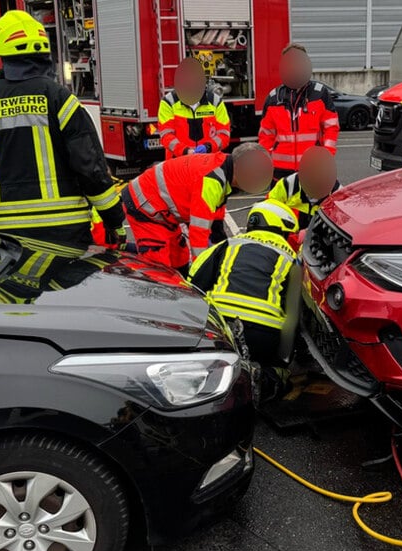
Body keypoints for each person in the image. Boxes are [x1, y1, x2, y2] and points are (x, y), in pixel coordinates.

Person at [0, 10, 125, 248]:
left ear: (0, 52)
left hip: (9, 234)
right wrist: (114, 220)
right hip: (66, 230)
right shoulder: (58, 97)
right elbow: (90, 166)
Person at [188, 200, 301, 400]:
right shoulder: (291, 259)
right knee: (277, 371)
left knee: (207, 364)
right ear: (283, 230)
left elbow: (193, 283)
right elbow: (296, 312)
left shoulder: (226, 246)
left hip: (221, 328)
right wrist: (284, 359)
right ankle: (268, 377)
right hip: (265, 335)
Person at [122, 142, 274, 274]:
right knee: (159, 267)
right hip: (144, 206)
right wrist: (202, 271)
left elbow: (216, 218)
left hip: (163, 210)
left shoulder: (225, 169)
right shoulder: (212, 181)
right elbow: (198, 232)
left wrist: (221, 248)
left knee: (179, 258)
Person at [259, 44, 340, 180]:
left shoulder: (320, 94)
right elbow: (266, 135)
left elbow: (331, 128)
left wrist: (326, 157)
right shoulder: (274, 98)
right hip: (280, 172)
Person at [267, 145, 339, 251]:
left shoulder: (337, 194)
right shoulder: (287, 185)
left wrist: (311, 231)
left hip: (319, 247)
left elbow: (341, 227)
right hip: (286, 243)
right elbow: (267, 209)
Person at [157, 58, 231, 159]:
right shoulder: (169, 102)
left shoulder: (215, 102)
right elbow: (166, 136)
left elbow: (224, 135)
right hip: (179, 162)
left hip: (208, 161)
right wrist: (185, 151)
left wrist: (208, 147)